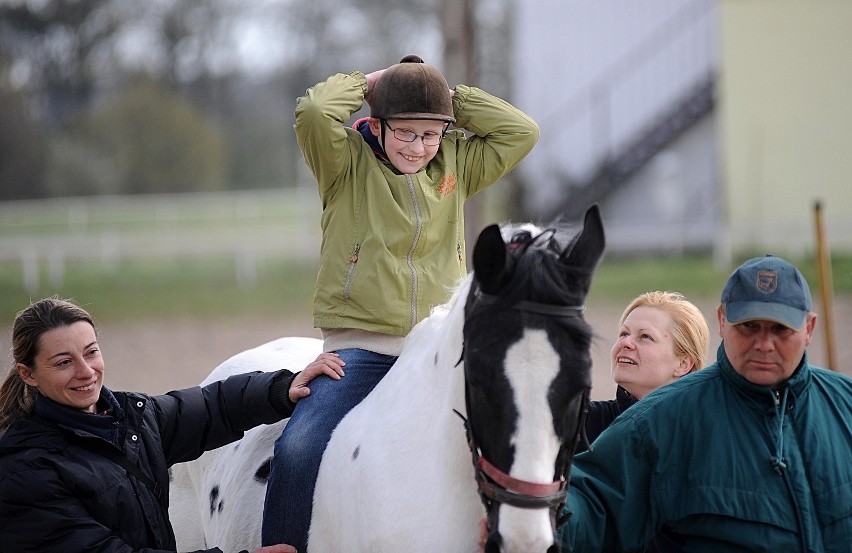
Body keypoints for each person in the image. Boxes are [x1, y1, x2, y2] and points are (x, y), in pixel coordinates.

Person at [261, 54, 539, 550]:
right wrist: (372, 82)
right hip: (360, 351)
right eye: (406, 132)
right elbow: (314, 111)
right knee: (299, 447)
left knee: (521, 430)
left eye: (431, 134)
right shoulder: (344, 162)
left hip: (435, 347)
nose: (420, 147)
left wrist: (444, 98)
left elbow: (521, 132)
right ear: (378, 122)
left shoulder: (455, 162)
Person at [0, 297, 345, 553]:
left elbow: (213, 407)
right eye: (64, 362)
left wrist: (283, 388)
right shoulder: (24, 473)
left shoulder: (127, 417)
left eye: (90, 352)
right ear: (28, 374)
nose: (86, 372)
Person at [558, 255, 852, 551]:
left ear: (810, 328)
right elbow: (589, 506)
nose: (764, 344)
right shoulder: (656, 422)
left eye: (780, 329)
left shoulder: (845, 404)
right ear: (722, 321)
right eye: (749, 326)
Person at [582, 290, 710, 449]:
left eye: (645, 337)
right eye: (624, 333)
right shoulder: (582, 424)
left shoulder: (708, 436)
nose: (625, 342)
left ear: (683, 364)